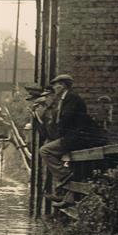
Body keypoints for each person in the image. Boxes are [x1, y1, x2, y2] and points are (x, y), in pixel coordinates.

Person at [39, 74, 90, 202]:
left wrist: (58, 135)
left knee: (45, 151)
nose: (55, 87)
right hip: (71, 136)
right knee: (58, 158)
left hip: (76, 137)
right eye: (55, 85)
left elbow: (67, 119)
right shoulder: (64, 98)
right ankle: (63, 194)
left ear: (64, 85)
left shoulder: (71, 97)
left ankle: (65, 175)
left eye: (57, 84)